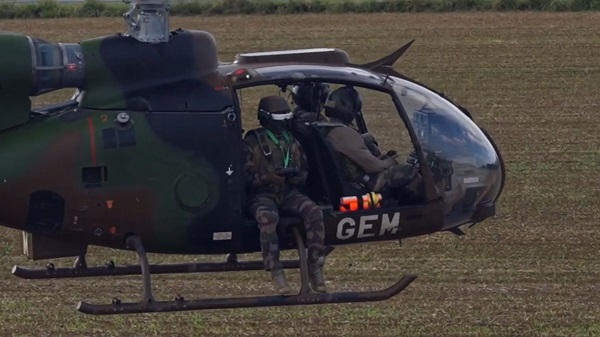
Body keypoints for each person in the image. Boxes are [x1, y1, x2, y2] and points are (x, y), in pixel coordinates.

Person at [244, 95, 327, 295]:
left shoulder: (292, 141)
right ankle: (275, 270)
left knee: (314, 212)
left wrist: (294, 178)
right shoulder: (252, 142)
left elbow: (304, 171)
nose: (282, 125)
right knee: (268, 218)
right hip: (261, 195)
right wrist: (267, 178)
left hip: (288, 192)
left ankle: (315, 264)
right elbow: (242, 179)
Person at [323, 86, 420, 195]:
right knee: (410, 171)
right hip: (367, 183)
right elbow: (373, 167)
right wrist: (389, 161)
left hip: (350, 180)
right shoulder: (344, 133)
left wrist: (382, 158)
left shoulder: (327, 128)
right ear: (350, 108)